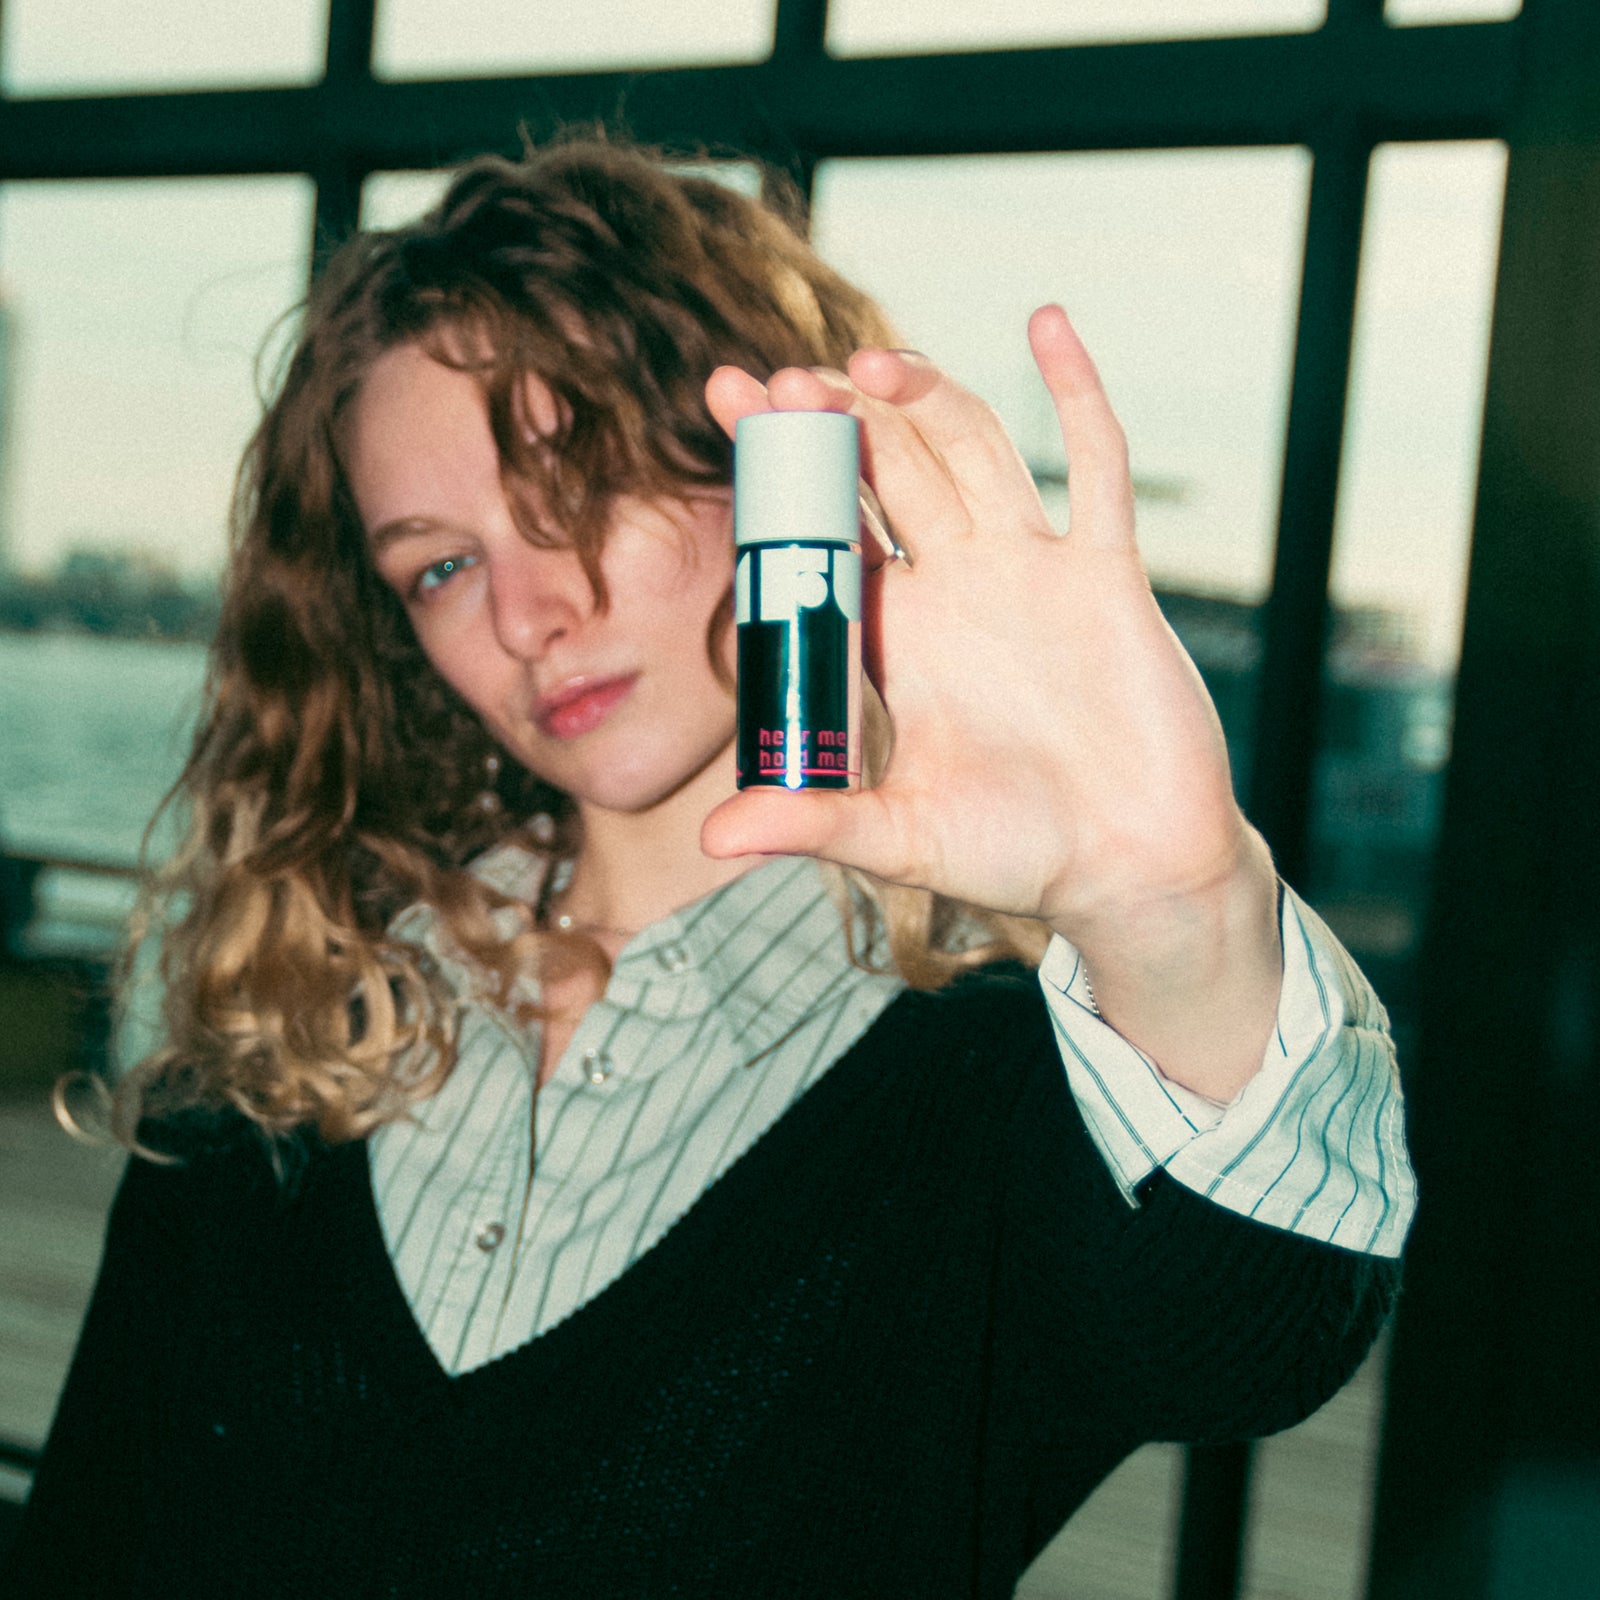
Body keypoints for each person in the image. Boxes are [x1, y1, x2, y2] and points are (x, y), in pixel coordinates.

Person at [7, 136, 1414, 1598]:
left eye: (584, 483)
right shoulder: (289, 1052)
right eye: (440, 564)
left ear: (777, 485)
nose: (531, 611)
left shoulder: (982, 1082)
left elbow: (1257, 1328)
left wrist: (1173, 897)